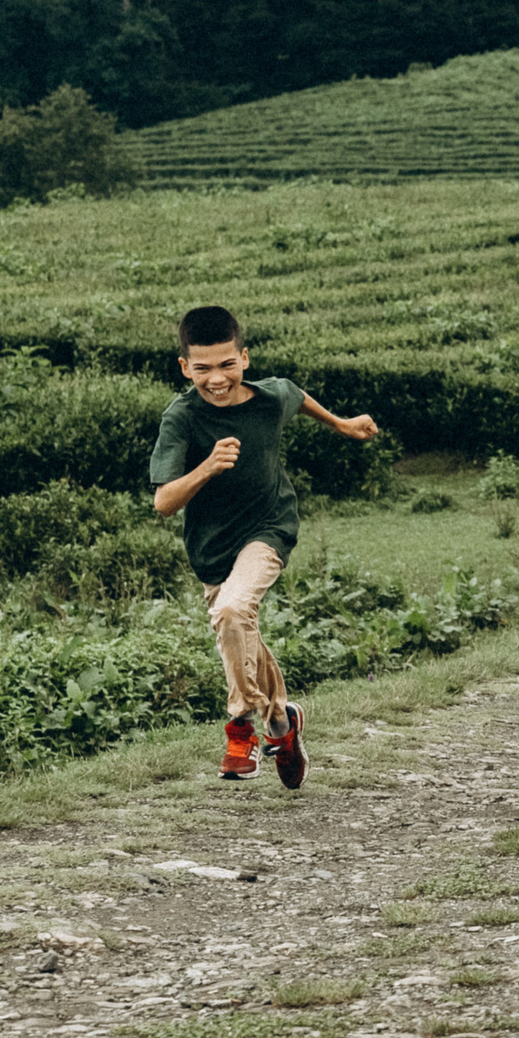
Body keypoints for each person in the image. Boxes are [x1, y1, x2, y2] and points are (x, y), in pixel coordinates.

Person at [150, 305, 379, 787]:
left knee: (233, 612)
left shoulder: (267, 397)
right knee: (242, 631)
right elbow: (164, 502)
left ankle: (241, 729)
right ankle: (281, 721)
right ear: (184, 367)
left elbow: (294, 395)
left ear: (245, 358)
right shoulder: (182, 419)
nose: (217, 378)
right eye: (203, 368)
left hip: (269, 528)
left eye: (227, 364)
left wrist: (341, 424)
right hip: (212, 548)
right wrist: (208, 467)